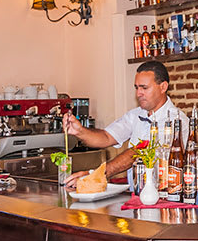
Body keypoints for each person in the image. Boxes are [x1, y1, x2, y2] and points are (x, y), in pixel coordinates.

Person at [62, 60, 188, 189]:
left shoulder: (176, 121)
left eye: (144, 88)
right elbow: (106, 137)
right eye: (136, 88)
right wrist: (79, 131)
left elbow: (137, 153)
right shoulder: (136, 114)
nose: (138, 93)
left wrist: (95, 175)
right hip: (136, 194)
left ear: (163, 87)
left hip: (164, 195)